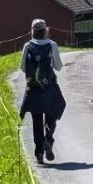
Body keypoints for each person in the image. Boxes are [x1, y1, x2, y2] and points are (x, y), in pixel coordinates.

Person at [19, 19, 65, 164]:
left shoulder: (28, 46)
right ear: (45, 30)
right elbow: (58, 67)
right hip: (49, 87)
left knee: (36, 120)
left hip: (33, 88)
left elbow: (23, 68)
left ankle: (39, 153)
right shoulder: (52, 45)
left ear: (32, 31)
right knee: (53, 111)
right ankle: (48, 139)